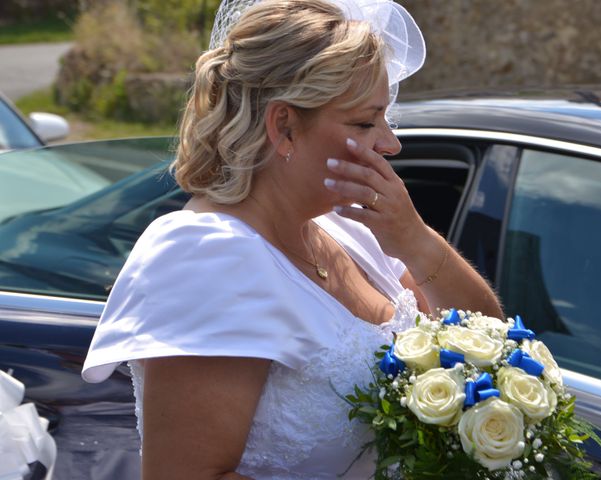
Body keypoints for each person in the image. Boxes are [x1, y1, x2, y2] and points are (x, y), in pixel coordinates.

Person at [82, 0, 503, 478]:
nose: (390, 144)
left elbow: (485, 338)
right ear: (284, 126)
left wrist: (415, 239)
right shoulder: (208, 256)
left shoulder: (347, 231)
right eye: (365, 122)